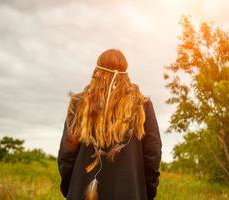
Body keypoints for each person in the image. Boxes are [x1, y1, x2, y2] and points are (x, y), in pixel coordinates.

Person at [57, 49, 162, 200]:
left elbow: (66, 154)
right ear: (126, 73)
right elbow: (153, 154)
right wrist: (146, 191)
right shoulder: (142, 105)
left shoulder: (79, 103)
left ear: (96, 71)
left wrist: (71, 188)